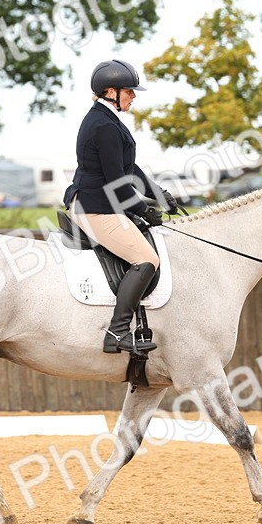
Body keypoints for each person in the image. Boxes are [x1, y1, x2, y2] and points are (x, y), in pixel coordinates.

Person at [63, 59, 174, 354]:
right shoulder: (103, 125)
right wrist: (144, 209)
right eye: (129, 91)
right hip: (96, 207)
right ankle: (117, 331)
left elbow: (130, 169)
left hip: (102, 202)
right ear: (110, 91)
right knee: (147, 259)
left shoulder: (107, 120)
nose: (134, 96)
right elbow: (117, 183)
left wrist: (159, 195)